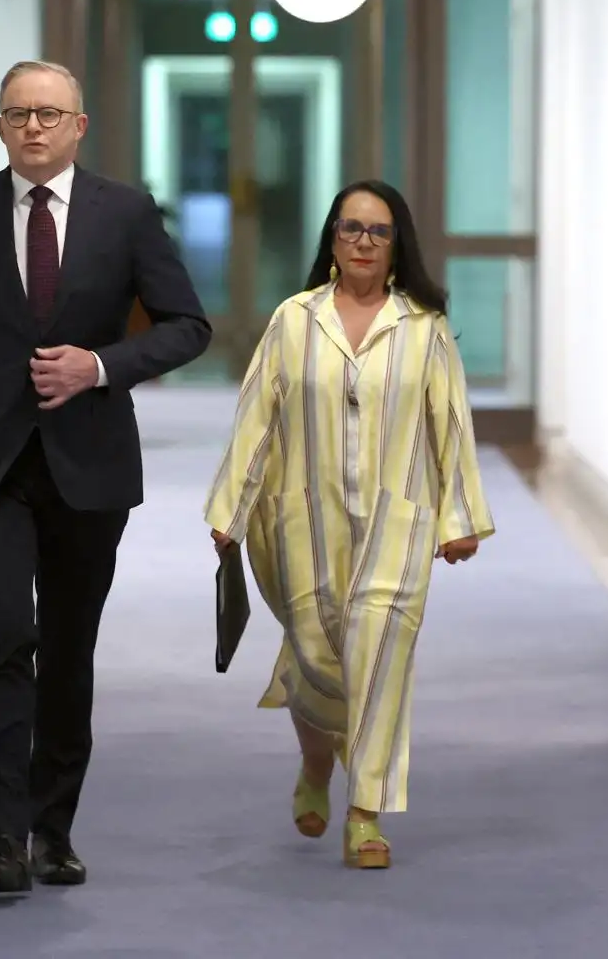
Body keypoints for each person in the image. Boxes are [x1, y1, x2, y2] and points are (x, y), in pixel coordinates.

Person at [0, 59, 211, 895]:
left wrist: (100, 366)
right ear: (0, 128)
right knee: (2, 634)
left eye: (48, 113)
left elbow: (187, 326)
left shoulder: (127, 214)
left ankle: (52, 829)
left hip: (91, 463)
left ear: (79, 125)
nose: (32, 127)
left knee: (69, 648)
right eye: (17, 114)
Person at [202, 179, 494, 870]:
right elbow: (257, 417)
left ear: (398, 246)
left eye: (379, 231)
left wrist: (460, 519)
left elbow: (449, 423)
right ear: (332, 239)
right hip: (302, 520)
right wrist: (231, 514)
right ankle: (315, 766)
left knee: (381, 654)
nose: (363, 241)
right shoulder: (294, 320)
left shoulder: (422, 326)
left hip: (399, 521)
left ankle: (365, 814)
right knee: (315, 657)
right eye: (351, 228)